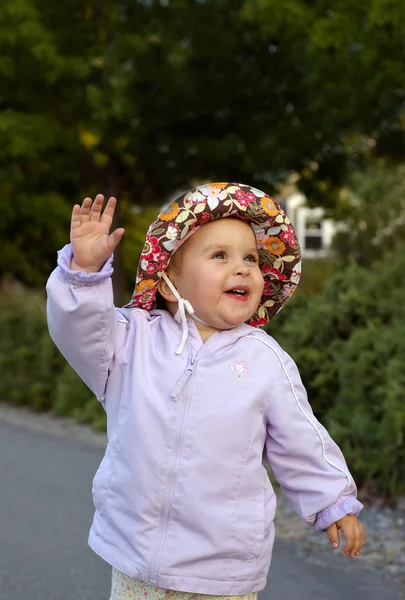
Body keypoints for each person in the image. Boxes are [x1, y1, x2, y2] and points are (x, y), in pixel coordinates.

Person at [46, 183, 365, 600]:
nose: (243, 268)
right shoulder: (130, 341)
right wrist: (85, 276)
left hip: (224, 568)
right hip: (137, 555)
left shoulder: (265, 361)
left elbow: (301, 440)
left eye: (251, 258)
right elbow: (80, 330)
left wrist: (333, 500)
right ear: (166, 282)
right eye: (220, 255)